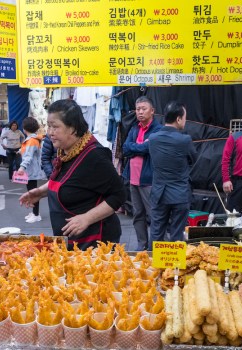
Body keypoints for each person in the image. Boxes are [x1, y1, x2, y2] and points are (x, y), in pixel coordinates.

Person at [19, 99, 126, 250]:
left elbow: (119, 194)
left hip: (95, 243)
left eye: (55, 127)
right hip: (70, 241)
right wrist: (41, 192)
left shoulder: (95, 157)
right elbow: (68, 181)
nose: (50, 133)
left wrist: (87, 218)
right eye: (48, 126)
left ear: (73, 128)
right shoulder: (65, 151)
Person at [148, 102, 197, 246]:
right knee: (176, 235)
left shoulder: (153, 138)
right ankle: (174, 267)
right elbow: (193, 158)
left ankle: (152, 265)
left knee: (156, 233)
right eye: (185, 118)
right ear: (178, 119)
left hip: (158, 193)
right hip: (179, 194)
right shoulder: (185, 140)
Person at [122, 96, 162, 251]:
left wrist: (136, 147)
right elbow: (125, 149)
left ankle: (154, 247)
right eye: (138, 109)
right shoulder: (135, 128)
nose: (140, 112)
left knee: (153, 215)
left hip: (148, 179)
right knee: (138, 214)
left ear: (152, 111)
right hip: (133, 178)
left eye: (143, 109)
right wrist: (139, 146)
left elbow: (149, 148)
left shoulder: (157, 130)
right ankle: (141, 246)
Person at [18, 117, 45, 223]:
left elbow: (28, 156)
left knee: (33, 193)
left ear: (24, 128)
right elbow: (30, 154)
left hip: (30, 171)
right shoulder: (33, 139)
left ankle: (36, 214)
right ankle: (34, 212)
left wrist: (21, 167)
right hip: (31, 170)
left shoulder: (31, 140)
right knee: (31, 192)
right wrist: (21, 151)